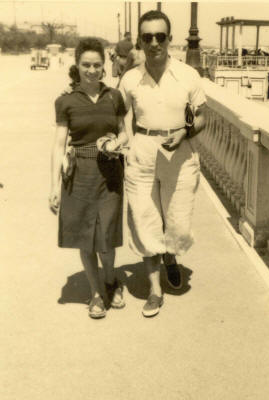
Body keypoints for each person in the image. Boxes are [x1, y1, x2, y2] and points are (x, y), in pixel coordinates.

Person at [114, 10, 206, 317]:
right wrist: (125, 140)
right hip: (142, 152)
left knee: (177, 222)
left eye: (160, 36)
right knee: (144, 219)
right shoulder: (129, 79)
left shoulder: (187, 75)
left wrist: (184, 132)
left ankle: (170, 256)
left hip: (180, 154)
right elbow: (119, 114)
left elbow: (203, 116)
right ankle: (155, 291)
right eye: (147, 37)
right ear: (140, 41)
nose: (154, 43)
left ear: (170, 38)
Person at [49, 38, 128, 319]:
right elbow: (59, 145)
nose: (92, 70)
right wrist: (53, 187)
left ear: (104, 66)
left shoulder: (114, 97)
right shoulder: (65, 101)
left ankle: (111, 281)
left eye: (97, 65)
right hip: (79, 173)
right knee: (86, 238)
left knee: (106, 237)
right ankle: (95, 293)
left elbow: (124, 131)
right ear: (77, 66)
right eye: (86, 65)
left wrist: (116, 142)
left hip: (110, 173)